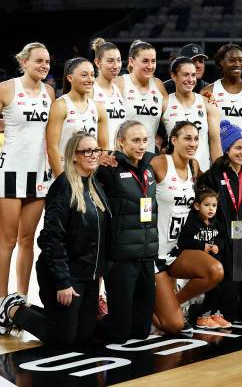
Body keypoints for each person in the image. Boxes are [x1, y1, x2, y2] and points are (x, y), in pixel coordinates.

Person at [0, 132, 110, 346]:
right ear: (74, 156)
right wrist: (62, 281)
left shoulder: (95, 185)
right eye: (87, 151)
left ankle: (37, 312)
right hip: (64, 274)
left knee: (83, 336)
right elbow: (51, 239)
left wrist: (99, 275)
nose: (94, 155)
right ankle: (12, 309)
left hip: (88, 277)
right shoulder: (63, 187)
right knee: (62, 339)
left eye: (96, 150)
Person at [0, 42, 55, 306]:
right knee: (7, 240)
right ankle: (1, 300)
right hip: (9, 171)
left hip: (39, 172)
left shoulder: (50, 92)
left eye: (47, 62)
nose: (44, 66)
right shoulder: (6, 88)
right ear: (24, 62)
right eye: (39, 61)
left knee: (27, 239)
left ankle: (22, 297)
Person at [150, 121, 224, 333]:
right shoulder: (160, 163)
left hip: (178, 250)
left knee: (215, 271)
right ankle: (145, 304)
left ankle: (173, 303)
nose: (192, 143)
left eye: (195, 138)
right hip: (156, 252)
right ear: (174, 140)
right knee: (173, 325)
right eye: (187, 138)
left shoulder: (194, 167)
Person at [96, 120, 158, 343]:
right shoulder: (109, 169)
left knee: (141, 331)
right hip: (121, 258)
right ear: (121, 142)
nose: (141, 146)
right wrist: (98, 160)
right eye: (135, 140)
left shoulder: (148, 168)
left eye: (144, 140)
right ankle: (83, 323)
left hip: (146, 255)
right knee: (119, 334)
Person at [197, 120, 242, 322]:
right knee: (230, 310)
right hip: (224, 245)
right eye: (237, 148)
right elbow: (206, 212)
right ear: (226, 149)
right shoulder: (213, 177)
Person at [202, 44, 242, 171]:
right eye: (232, 60)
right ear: (221, 62)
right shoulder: (208, 91)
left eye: (241, 60)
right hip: (216, 165)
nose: (237, 64)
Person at [178, 188, 231, 329]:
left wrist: (218, 246)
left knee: (221, 289)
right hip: (200, 266)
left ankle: (216, 314)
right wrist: (201, 245)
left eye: (214, 205)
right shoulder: (193, 222)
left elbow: (221, 237)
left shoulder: (216, 222)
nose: (211, 209)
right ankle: (202, 316)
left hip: (215, 263)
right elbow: (183, 241)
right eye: (206, 205)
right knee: (212, 290)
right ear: (197, 206)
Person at [47, 57, 108, 178]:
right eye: (84, 75)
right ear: (70, 78)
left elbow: (104, 147)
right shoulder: (60, 105)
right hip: (65, 174)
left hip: (89, 177)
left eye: (92, 75)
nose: (90, 79)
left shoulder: (99, 108)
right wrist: (62, 179)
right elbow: (52, 148)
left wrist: (95, 173)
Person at [161, 57, 222, 172]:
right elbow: (153, 135)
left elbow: (215, 142)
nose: (190, 79)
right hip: (173, 173)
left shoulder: (207, 103)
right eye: (185, 75)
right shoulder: (164, 103)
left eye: (193, 75)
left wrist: (218, 174)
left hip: (203, 172)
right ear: (173, 76)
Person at [115, 40, 168, 153]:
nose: (150, 66)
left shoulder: (158, 85)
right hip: (121, 157)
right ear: (131, 61)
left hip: (149, 157)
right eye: (145, 61)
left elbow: (171, 118)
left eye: (153, 61)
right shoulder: (120, 83)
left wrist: (162, 142)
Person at [163, 43, 242, 95]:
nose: (198, 65)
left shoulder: (209, 90)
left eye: (201, 61)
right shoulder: (163, 89)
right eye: (193, 61)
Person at [91, 38, 126, 149]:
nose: (116, 66)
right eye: (110, 61)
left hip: (118, 158)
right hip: (97, 158)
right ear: (98, 62)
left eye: (119, 60)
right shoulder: (90, 90)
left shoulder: (119, 90)